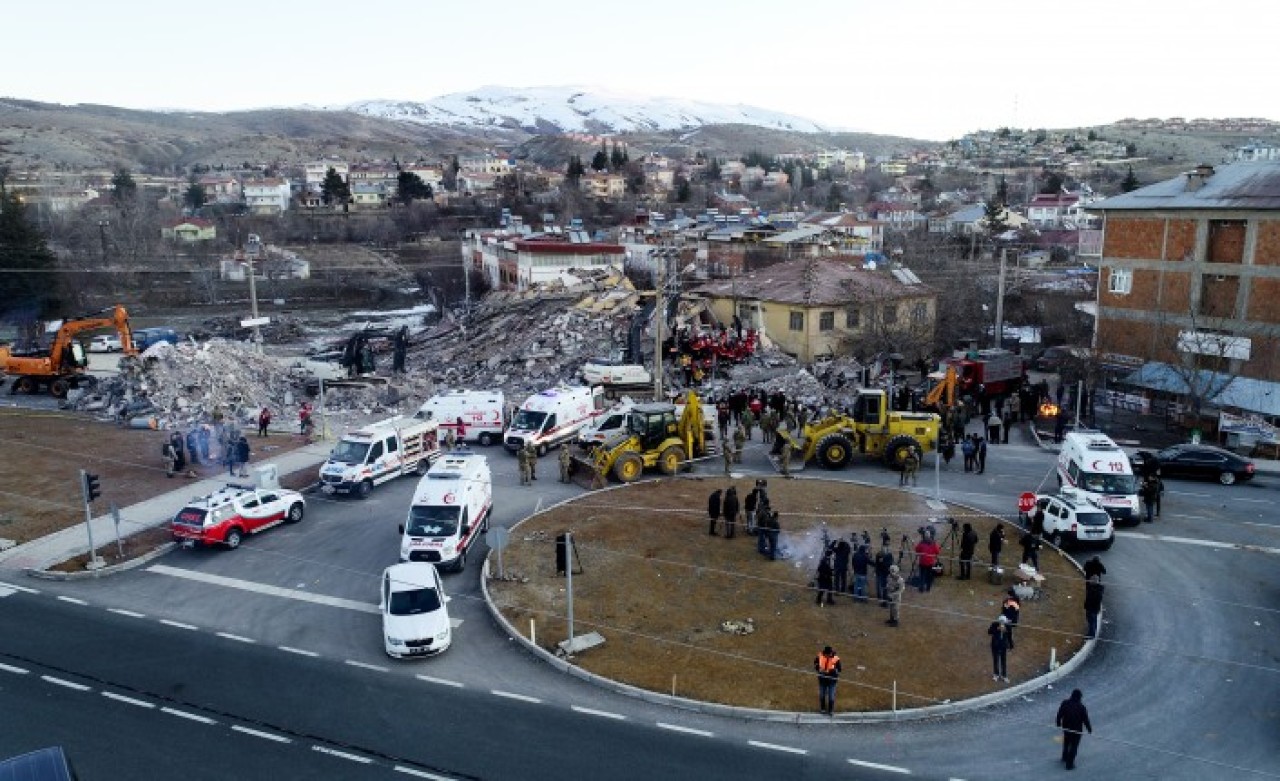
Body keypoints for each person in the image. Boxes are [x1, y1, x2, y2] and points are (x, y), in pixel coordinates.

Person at [1056, 689, 1093, 770]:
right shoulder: (1081, 707)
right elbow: (1085, 720)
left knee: (1066, 742)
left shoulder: (1065, 703)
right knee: (1074, 746)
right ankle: (1069, 764)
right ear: (1079, 697)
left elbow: (1059, 714)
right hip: (1076, 730)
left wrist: (1058, 723)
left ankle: (1065, 757)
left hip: (1066, 728)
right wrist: (1089, 729)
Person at [814, 645, 842, 715]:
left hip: (832, 680)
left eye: (829, 654)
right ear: (825, 653)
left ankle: (830, 710)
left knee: (831, 695)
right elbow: (815, 663)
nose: (828, 656)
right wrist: (818, 668)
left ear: (831, 653)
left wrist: (833, 671)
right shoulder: (820, 656)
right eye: (826, 654)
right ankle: (822, 709)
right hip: (822, 679)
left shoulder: (836, 659)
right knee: (822, 695)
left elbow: (839, 669)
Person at [989, 615, 1011, 682]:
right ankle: (996, 674)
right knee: (996, 660)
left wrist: (1011, 646)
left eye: (1003, 622)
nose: (1002, 623)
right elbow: (989, 632)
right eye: (1001, 622)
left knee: (1003, 661)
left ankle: (1004, 676)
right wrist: (997, 629)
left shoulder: (1007, 626)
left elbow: (1009, 636)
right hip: (995, 646)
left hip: (1003, 646)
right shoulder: (994, 624)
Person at [1084, 574, 1105, 639]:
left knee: (1092, 621)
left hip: (1093, 608)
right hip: (1090, 607)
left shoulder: (1097, 590)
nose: (1090, 581)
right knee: (1091, 620)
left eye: (1091, 580)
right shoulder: (1092, 587)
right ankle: (1092, 632)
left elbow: (1095, 599)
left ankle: (1091, 634)